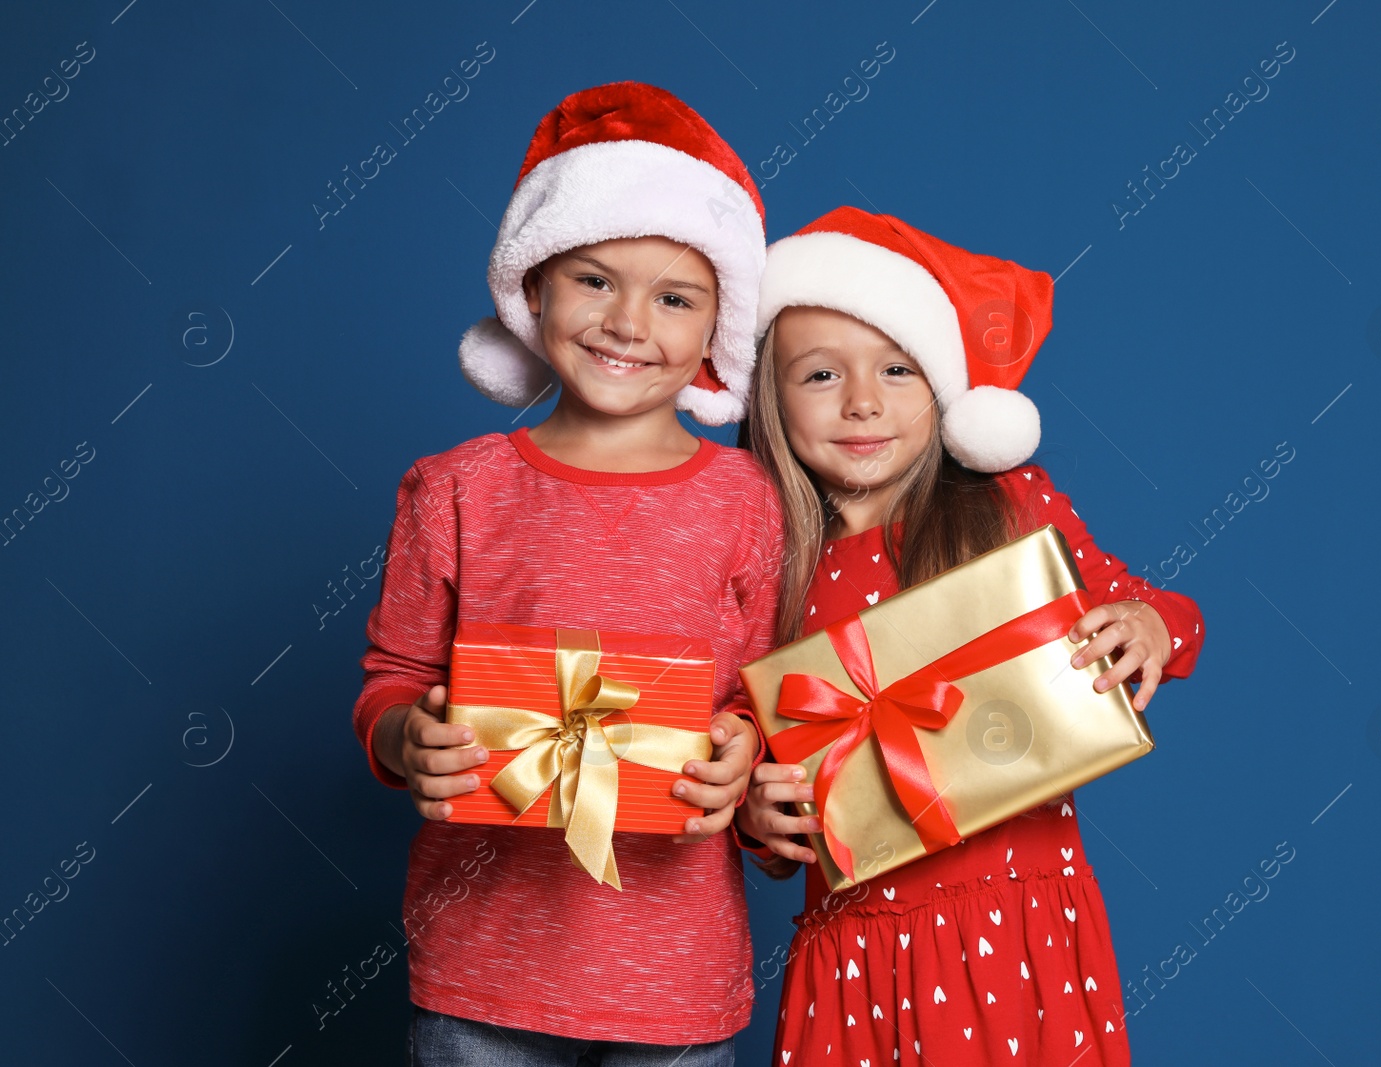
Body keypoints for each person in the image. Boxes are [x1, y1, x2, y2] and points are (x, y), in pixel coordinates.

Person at [352, 82, 781, 1065]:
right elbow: (392, 678)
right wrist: (406, 735)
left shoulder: (750, 502)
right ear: (532, 289)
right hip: (484, 968)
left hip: (675, 977)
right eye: (594, 279)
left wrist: (739, 751)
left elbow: (769, 696)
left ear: (717, 329)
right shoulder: (453, 488)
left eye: (673, 297)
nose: (628, 321)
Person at [734, 207, 1207, 1065]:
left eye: (897, 368)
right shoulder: (764, 564)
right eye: (820, 375)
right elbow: (742, 747)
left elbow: (1161, 606)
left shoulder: (1008, 502)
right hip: (859, 949)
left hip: (1020, 933)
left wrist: (1150, 626)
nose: (863, 401)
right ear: (770, 395)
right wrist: (754, 816)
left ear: (945, 387)